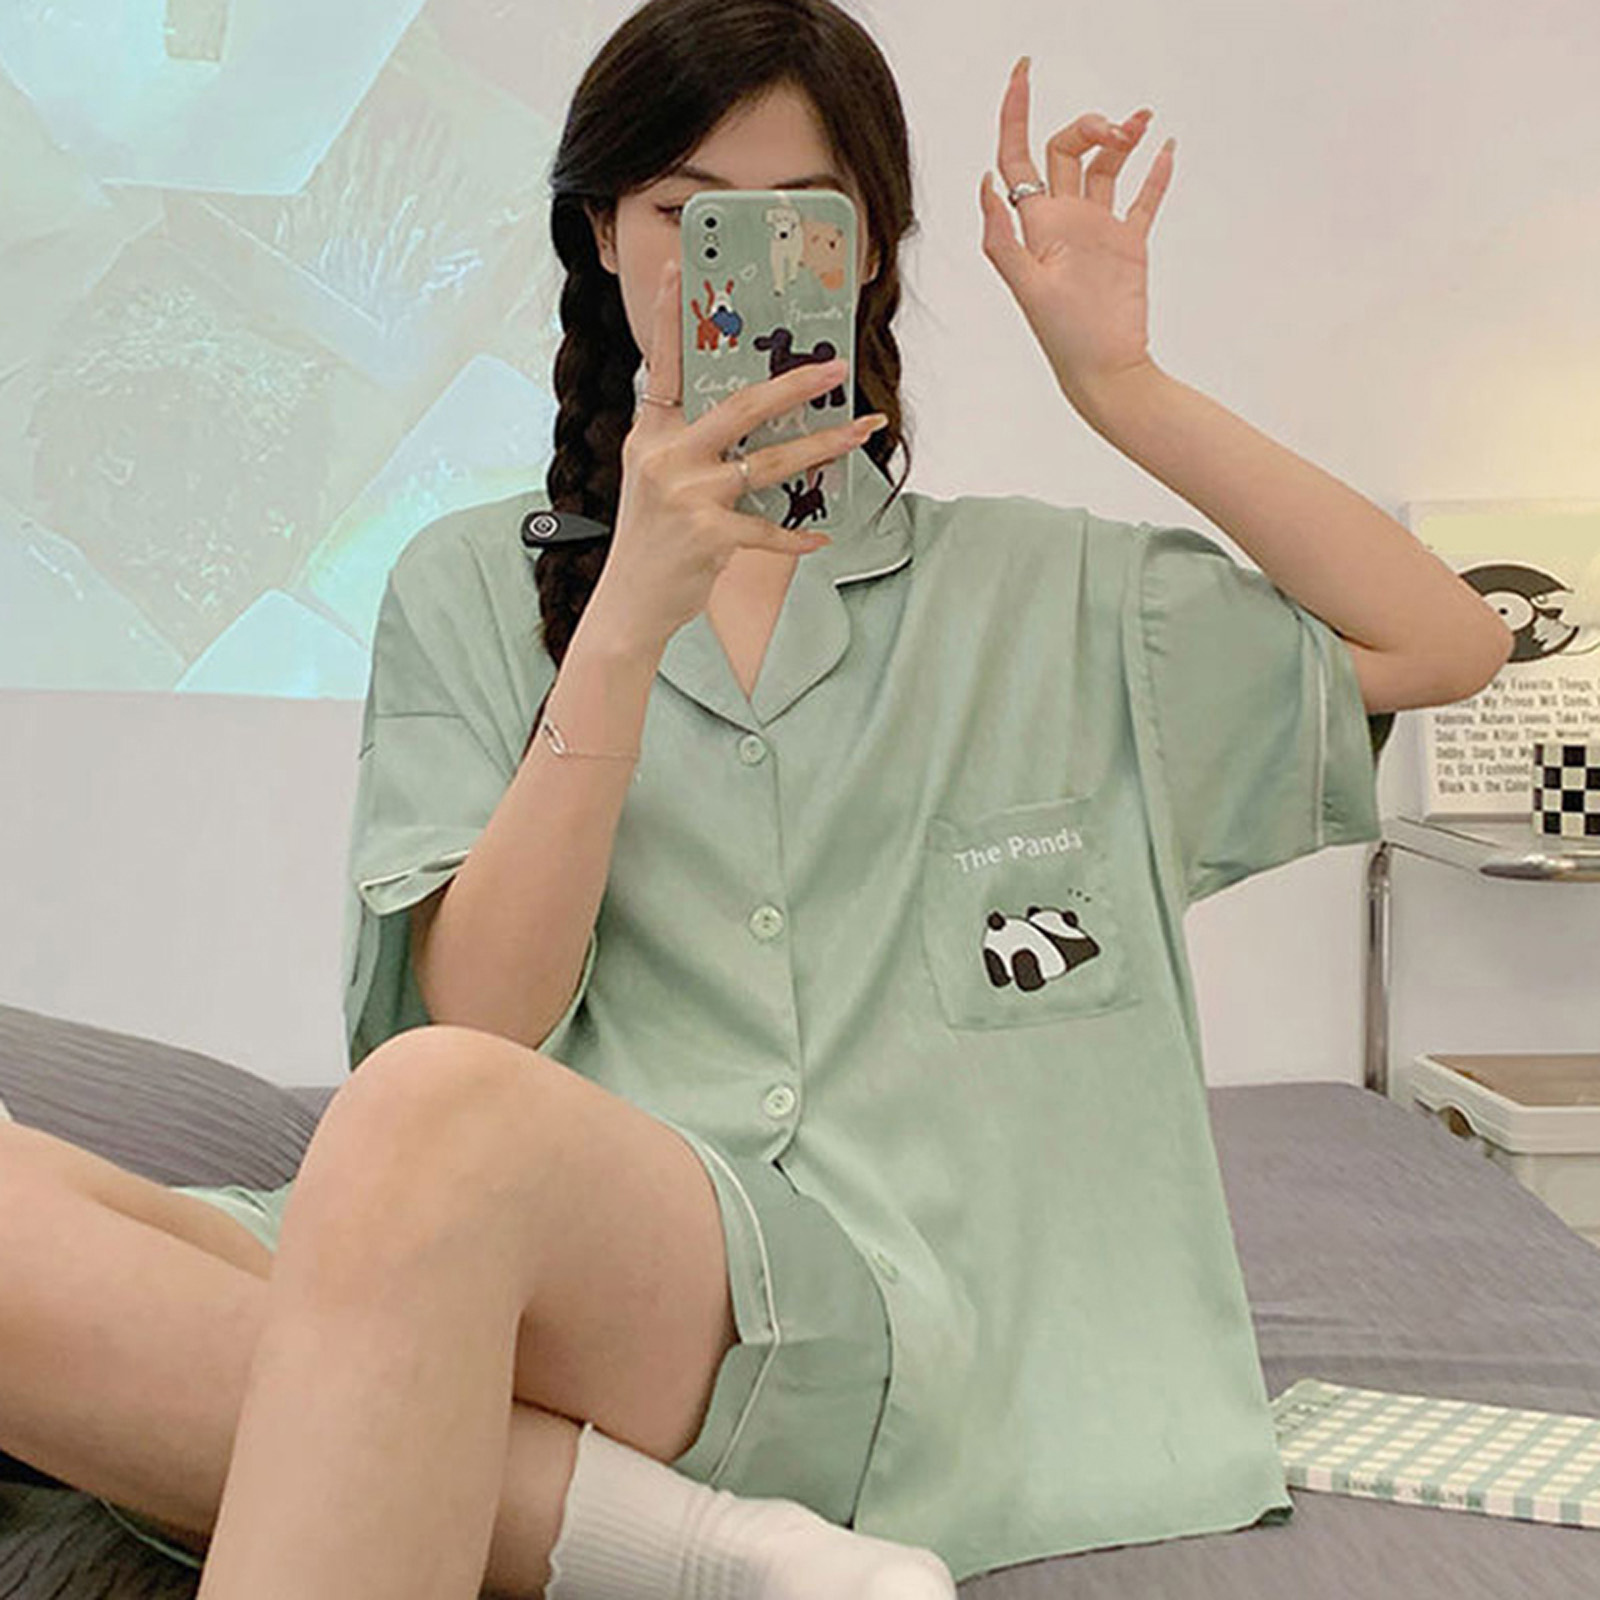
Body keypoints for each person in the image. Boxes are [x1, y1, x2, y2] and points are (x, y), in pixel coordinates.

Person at [0, 0, 1512, 1595]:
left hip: (849, 1311)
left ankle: (613, 1503)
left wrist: (1121, 385)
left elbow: (1447, 641)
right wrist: (624, 624)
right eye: (687, 212)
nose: (739, 260)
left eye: (805, 217)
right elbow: (488, 1011)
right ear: (602, 233)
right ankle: (698, 1550)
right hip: (524, 1263)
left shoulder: (1048, 593)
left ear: (868, 257)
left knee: (426, 1119)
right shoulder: (464, 584)